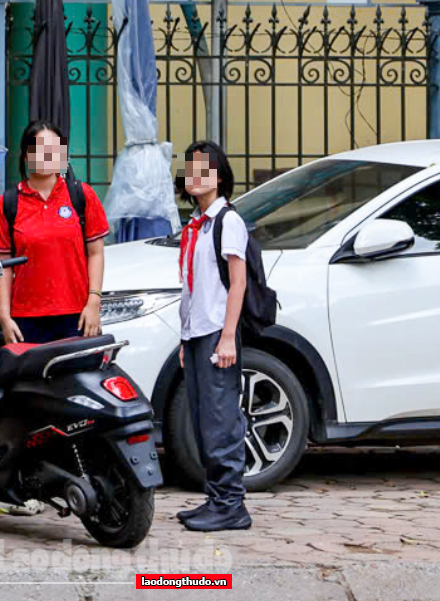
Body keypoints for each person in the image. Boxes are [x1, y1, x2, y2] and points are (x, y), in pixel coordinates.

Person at [174, 140, 252, 532]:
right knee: (204, 421)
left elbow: (236, 285)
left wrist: (227, 338)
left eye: (203, 168)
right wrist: (186, 340)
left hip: (218, 335)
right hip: (197, 334)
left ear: (219, 177)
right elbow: (194, 288)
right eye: (190, 168)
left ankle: (231, 506)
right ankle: (215, 500)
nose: (194, 175)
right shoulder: (196, 226)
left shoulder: (227, 221)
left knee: (221, 422)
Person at [0, 119, 109, 345]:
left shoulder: (81, 195)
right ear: (25, 155)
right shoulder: (7, 204)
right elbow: (2, 266)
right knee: (29, 381)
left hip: (77, 316)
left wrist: (93, 302)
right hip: (26, 320)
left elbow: (96, 253)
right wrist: (5, 316)